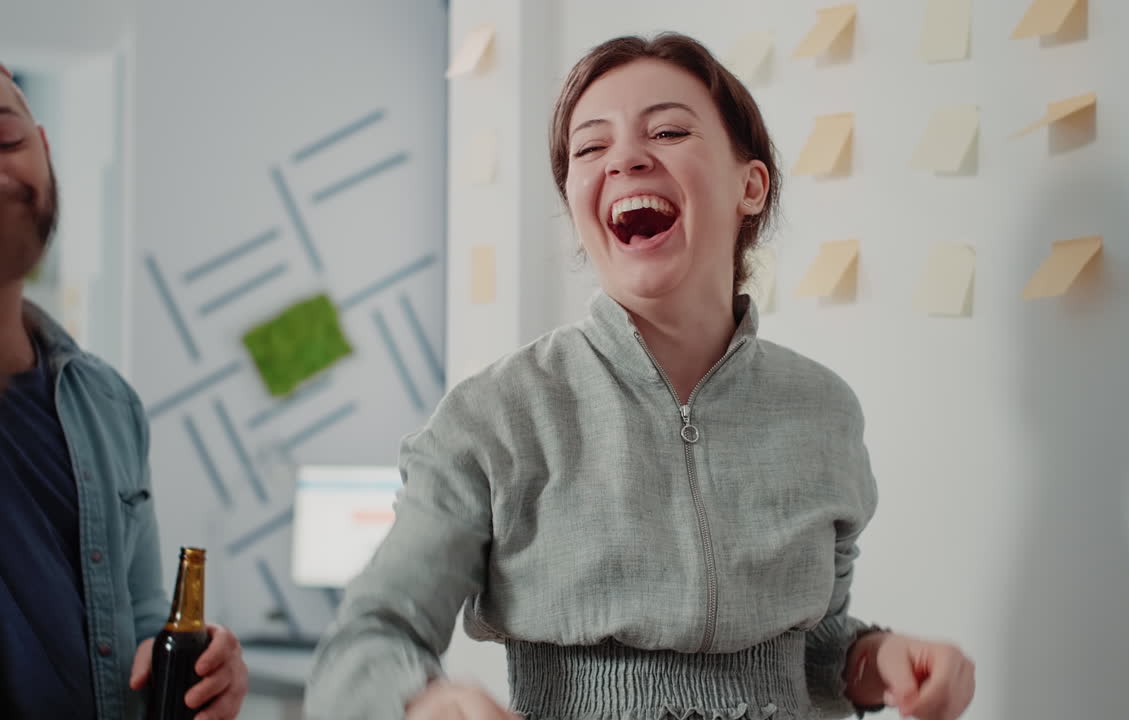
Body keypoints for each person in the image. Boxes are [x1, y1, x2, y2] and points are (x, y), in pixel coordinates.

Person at [306, 33, 976, 720]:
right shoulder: (491, 418)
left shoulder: (823, 411)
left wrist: (877, 659)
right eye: (590, 147)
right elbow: (364, 643)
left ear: (750, 185)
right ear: (576, 205)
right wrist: (422, 701)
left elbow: (816, 644)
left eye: (669, 131)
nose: (625, 158)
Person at [0, 63, 248, 719]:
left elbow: (137, 621)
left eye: (5, 141)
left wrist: (200, 669)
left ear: (43, 150)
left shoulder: (107, 405)